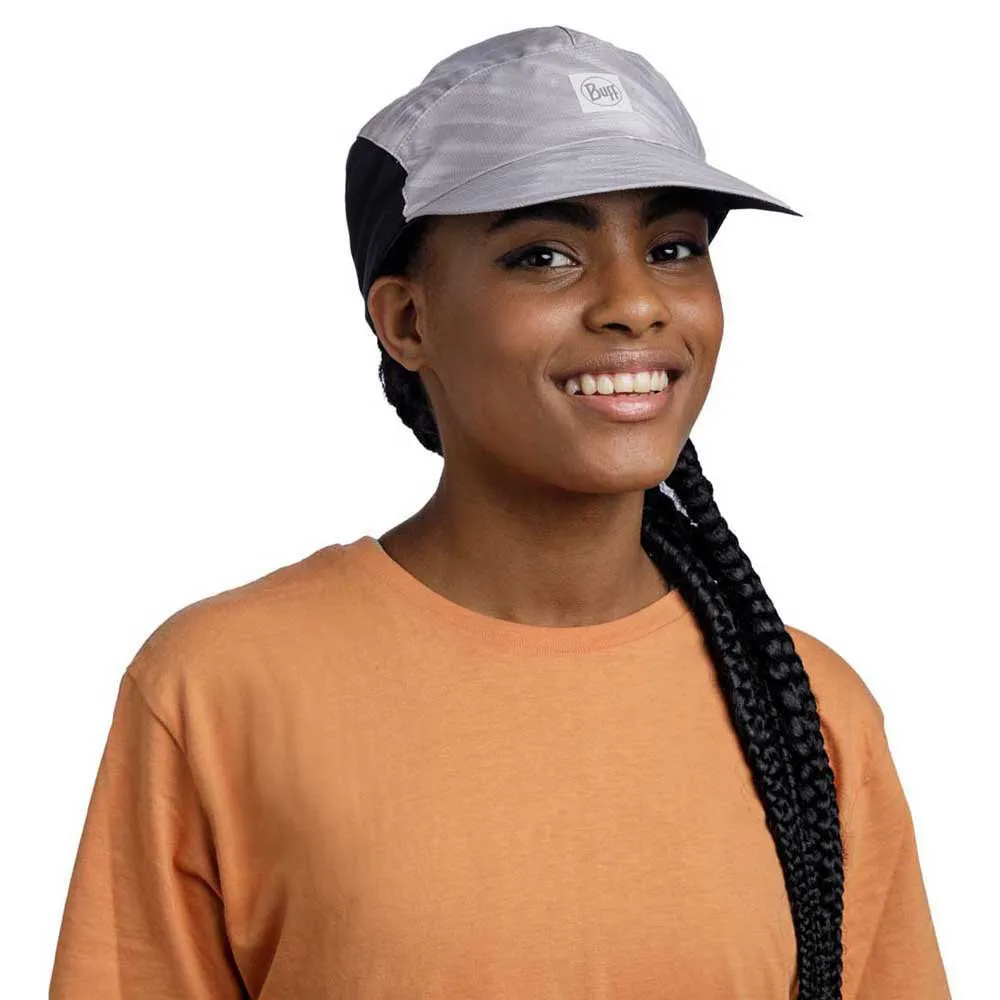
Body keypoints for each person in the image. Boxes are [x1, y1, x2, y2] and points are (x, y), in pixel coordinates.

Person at [49, 24, 951, 1000]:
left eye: (673, 248)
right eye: (544, 255)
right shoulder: (220, 687)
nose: (636, 302)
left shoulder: (808, 710)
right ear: (407, 320)